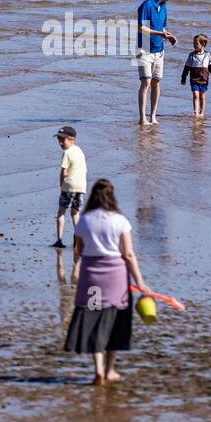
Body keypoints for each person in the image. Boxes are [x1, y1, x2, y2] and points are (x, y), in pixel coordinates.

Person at [64, 179, 150, 386]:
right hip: (116, 279)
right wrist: (141, 283)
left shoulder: (84, 220)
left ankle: (98, 370)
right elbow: (128, 254)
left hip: (92, 279)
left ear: (93, 196)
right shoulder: (120, 220)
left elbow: (79, 251)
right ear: (111, 197)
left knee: (94, 319)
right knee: (116, 323)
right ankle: (110, 370)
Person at [135, 0, 177, 125]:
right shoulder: (146, 5)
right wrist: (160, 34)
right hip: (144, 47)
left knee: (156, 83)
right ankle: (142, 118)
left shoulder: (163, 6)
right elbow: (141, 28)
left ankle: (153, 116)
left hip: (159, 50)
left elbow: (162, 28)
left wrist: (168, 36)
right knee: (146, 82)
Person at [52, 125, 87, 252]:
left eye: (63, 140)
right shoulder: (80, 151)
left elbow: (63, 171)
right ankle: (77, 237)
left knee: (61, 212)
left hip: (68, 186)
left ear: (72, 139)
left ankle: (59, 239)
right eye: (59, 140)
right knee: (75, 212)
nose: (60, 143)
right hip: (81, 187)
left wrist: (62, 184)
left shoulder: (66, 153)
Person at [180, 33, 211, 118]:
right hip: (194, 79)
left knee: (202, 96)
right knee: (195, 94)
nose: (194, 45)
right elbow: (186, 68)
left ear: (203, 44)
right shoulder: (191, 55)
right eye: (193, 43)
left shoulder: (207, 55)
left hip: (204, 79)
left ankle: (202, 112)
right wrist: (183, 78)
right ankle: (196, 112)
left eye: (196, 44)